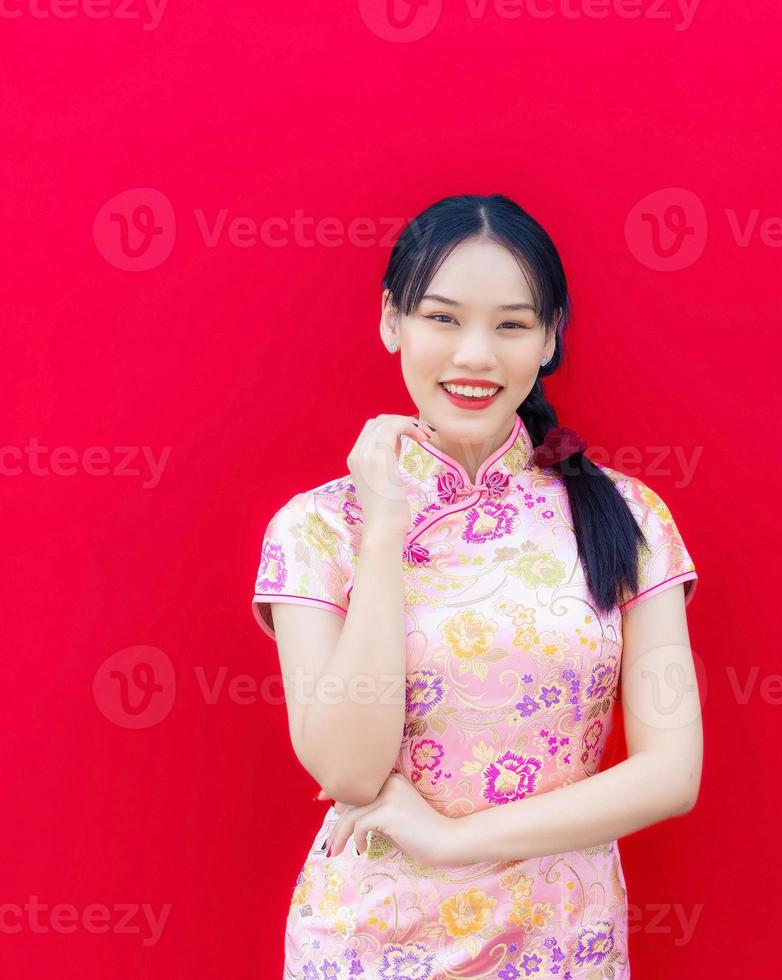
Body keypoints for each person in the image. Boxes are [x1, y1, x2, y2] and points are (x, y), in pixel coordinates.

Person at [249, 194, 702, 979]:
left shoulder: (629, 517)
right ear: (393, 321)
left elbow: (671, 773)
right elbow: (349, 772)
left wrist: (457, 839)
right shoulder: (318, 527)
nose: (475, 356)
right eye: (443, 318)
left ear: (551, 336)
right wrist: (387, 526)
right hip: (367, 945)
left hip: (564, 944)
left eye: (512, 325)